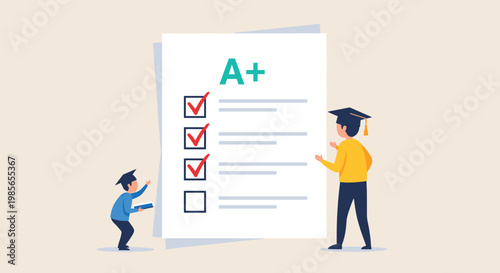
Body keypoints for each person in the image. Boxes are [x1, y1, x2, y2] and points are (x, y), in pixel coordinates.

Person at [315, 107, 373, 250]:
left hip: (347, 185)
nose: (337, 129)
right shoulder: (357, 144)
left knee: (342, 214)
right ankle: (368, 243)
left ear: (344, 127)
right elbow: (369, 160)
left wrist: (322, 161)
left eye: (338, 127)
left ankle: (339, 243)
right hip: (361, 184)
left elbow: (337, 167)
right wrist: (360, 172)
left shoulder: (344, 145)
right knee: (361, 215)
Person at [110, 169, 151, 251]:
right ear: (129, 185)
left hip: (118, 217)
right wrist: (138, 210)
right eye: (135, 184)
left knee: (127, 230)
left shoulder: (128, 195)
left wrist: (146, 185)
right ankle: (121, 245)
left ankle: (122, 245)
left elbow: (139, 193)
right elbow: (127, 210)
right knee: (129, 230)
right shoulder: (127, 197)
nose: (137, 185)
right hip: (118, 217)